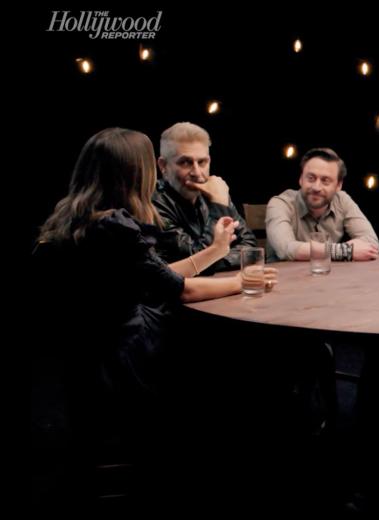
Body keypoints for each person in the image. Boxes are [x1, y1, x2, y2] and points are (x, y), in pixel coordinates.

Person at [31, 128, 278, 500]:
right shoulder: (115, 225)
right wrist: (247, 281)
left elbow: (157, 275)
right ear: (139, 171)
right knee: (227, 359)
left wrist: (214, 250)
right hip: (124, 359)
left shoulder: (76, 217)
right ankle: (229, 462)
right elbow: (182, 289)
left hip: (89, 355)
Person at [152, 122, 257, 273]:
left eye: (202, 162)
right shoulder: (154, 203)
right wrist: (219, 207)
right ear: (163, 166)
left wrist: (214, 260)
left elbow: (250, 248)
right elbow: (196, 261)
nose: (197, 172)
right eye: (185, 162)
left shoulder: (215, 192)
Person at [266, 147, 379, 262]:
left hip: (329, 277)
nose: (316, 187)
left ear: (338, 186)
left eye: (325, 180)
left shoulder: (342, 200)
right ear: (301, 179)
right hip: (285, 277)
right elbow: (286, 249)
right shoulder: (280, 203)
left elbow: (371, 243)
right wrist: (344, 251)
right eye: (311, 178)